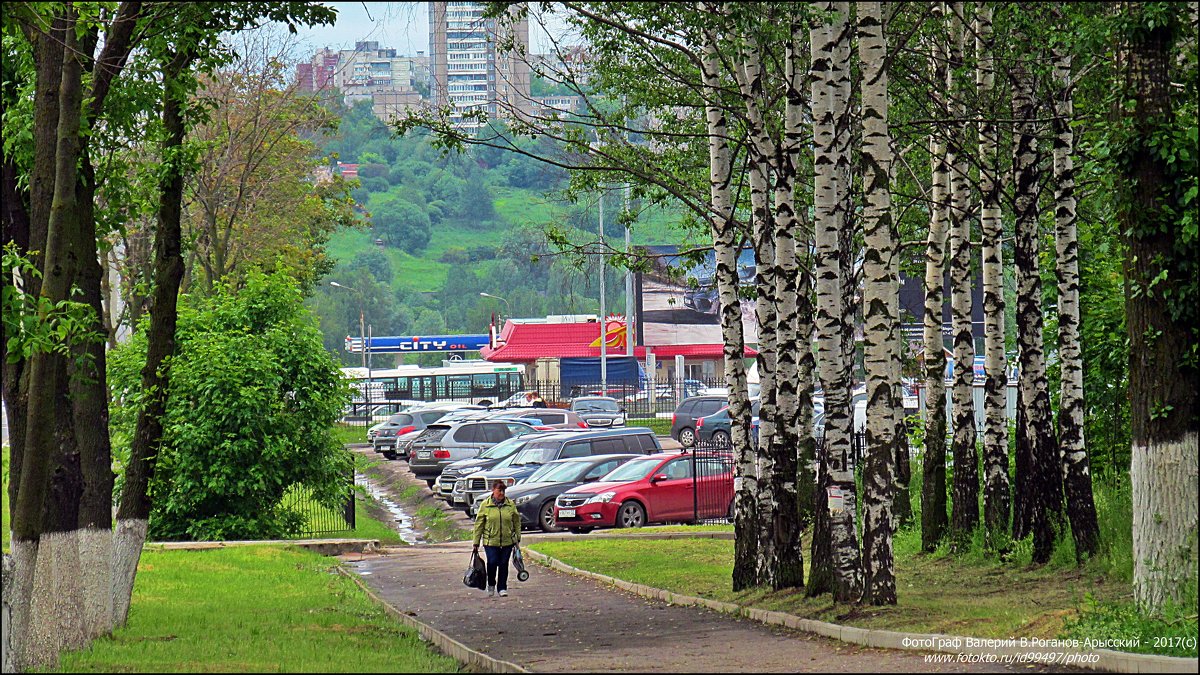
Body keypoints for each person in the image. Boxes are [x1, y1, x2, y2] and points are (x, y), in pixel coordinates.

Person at [472, 481, 521, 597]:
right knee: (492, 562)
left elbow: (516, 521)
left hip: (507, 541)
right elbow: (479, 524)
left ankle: (502, 587)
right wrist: (476, 542)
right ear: (493, 490)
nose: (502, 493)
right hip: (490, 541)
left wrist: (517, 536)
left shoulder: (510, 505)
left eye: (504, 491)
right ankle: (491, 584)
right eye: (499, 491)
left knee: (504, 564)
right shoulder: (485, 505)